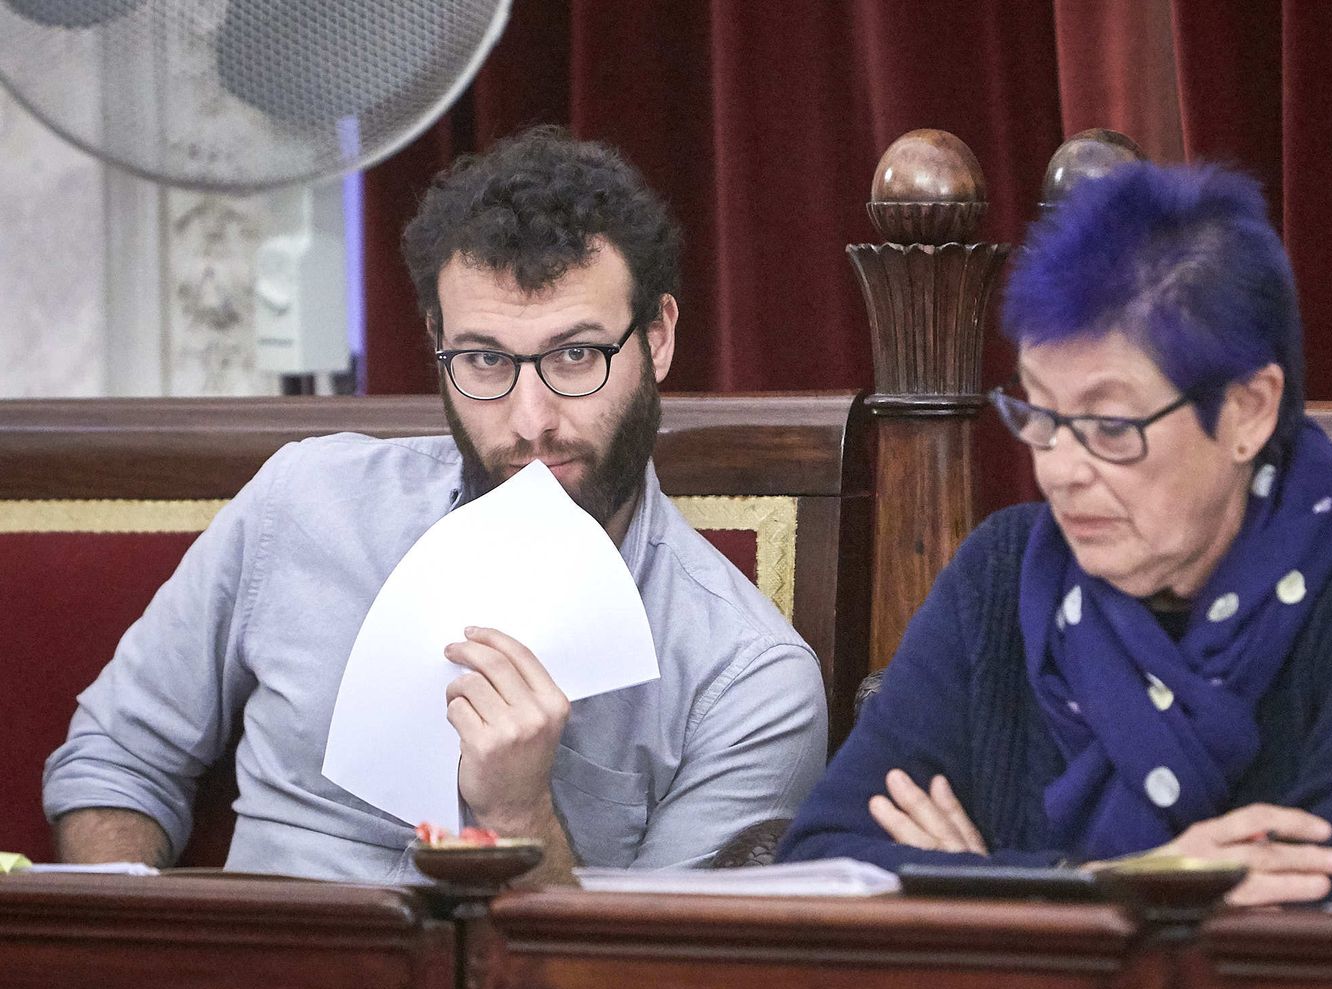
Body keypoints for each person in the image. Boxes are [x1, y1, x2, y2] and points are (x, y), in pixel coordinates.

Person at [44, 126, 828, 885]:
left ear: (655, 338)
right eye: (485, 360)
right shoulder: (303, 502)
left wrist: (523, 815)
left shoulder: (749, 681)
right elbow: (112, 758)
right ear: (436, 343)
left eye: (576, 354)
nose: (531, 421)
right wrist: (147, 961)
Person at [778, 161, 1332, 905]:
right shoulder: (1002, 572)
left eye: (1110, 427)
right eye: (1041, 416)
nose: (1059, 471)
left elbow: (1318, 902)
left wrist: (979, 885)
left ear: (1248, 410)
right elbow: (824, 861)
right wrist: (1115, 885)